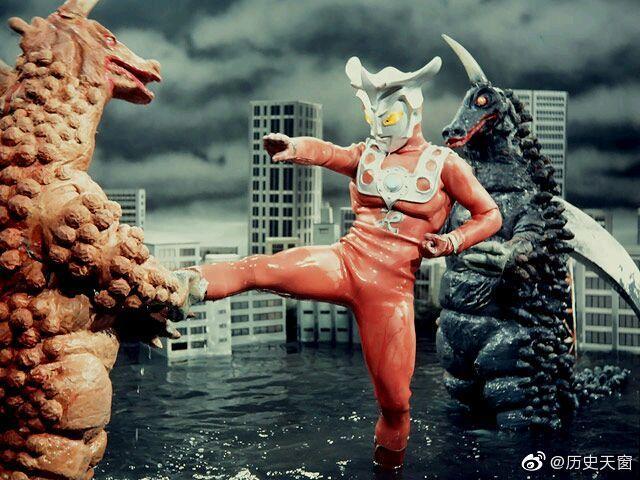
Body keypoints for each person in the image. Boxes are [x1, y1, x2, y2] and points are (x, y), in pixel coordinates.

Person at [176, 53, 502, 472]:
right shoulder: (368, 154)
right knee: (261, 268)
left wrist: (454, 241)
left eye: (388, 118)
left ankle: (387, 471)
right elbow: (330, 153)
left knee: (396, 403)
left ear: (412, 111)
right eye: (373, 117)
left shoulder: (445, 165)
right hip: (345, 262)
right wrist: (296, 148)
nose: (379, 128)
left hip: (390, 292)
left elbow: (489, 214)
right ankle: (181, 287)